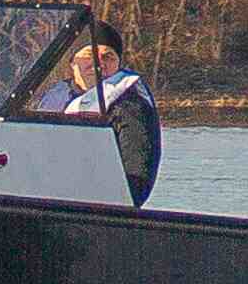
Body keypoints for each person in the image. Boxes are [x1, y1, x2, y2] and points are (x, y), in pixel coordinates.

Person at [47, 32, 163, 204]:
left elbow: (137, 171)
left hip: (95, 205)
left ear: (118, 64)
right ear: (73, 62)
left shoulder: (129, 107)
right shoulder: (55, 95)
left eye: (108, 57)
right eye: (88, 55)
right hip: (47, 193)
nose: (98, 63)